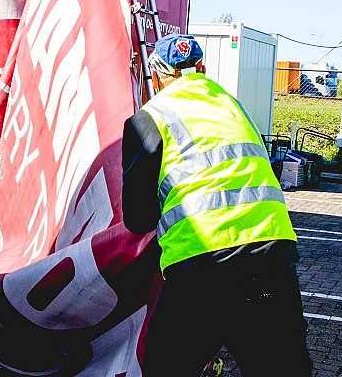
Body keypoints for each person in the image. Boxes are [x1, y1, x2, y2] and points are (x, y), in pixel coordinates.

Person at [121, 34, 312, 377]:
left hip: (202, 268)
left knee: (167, 368)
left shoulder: (148, 119)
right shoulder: (234, 107)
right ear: (203, 69)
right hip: (271, 256)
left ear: (157, 77)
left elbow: (138, 219)